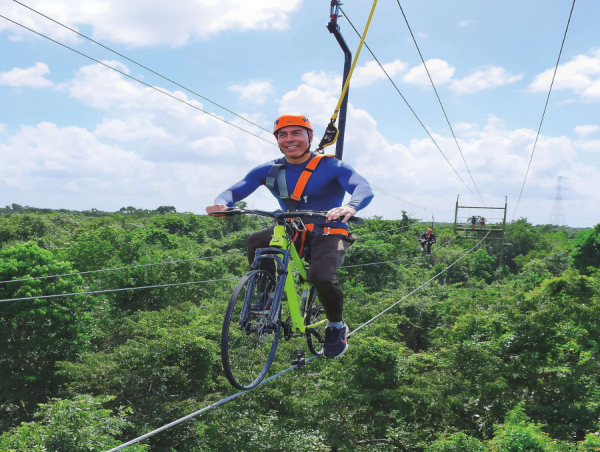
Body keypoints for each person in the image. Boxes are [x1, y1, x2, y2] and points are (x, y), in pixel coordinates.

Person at [206, 114, 374, 359]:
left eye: (296, 133)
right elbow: (235, 189)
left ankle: (336, 326)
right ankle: (267, 293)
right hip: (292, 228)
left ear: (310, 136)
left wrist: (351, 206)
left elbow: (362, 187)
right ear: (277, 140)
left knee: (321, 276)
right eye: (282, 135)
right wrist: (221, 203)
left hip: (328, 230)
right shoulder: (270, 169)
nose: (289, 139)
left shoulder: (331, 166)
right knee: (257, 240)